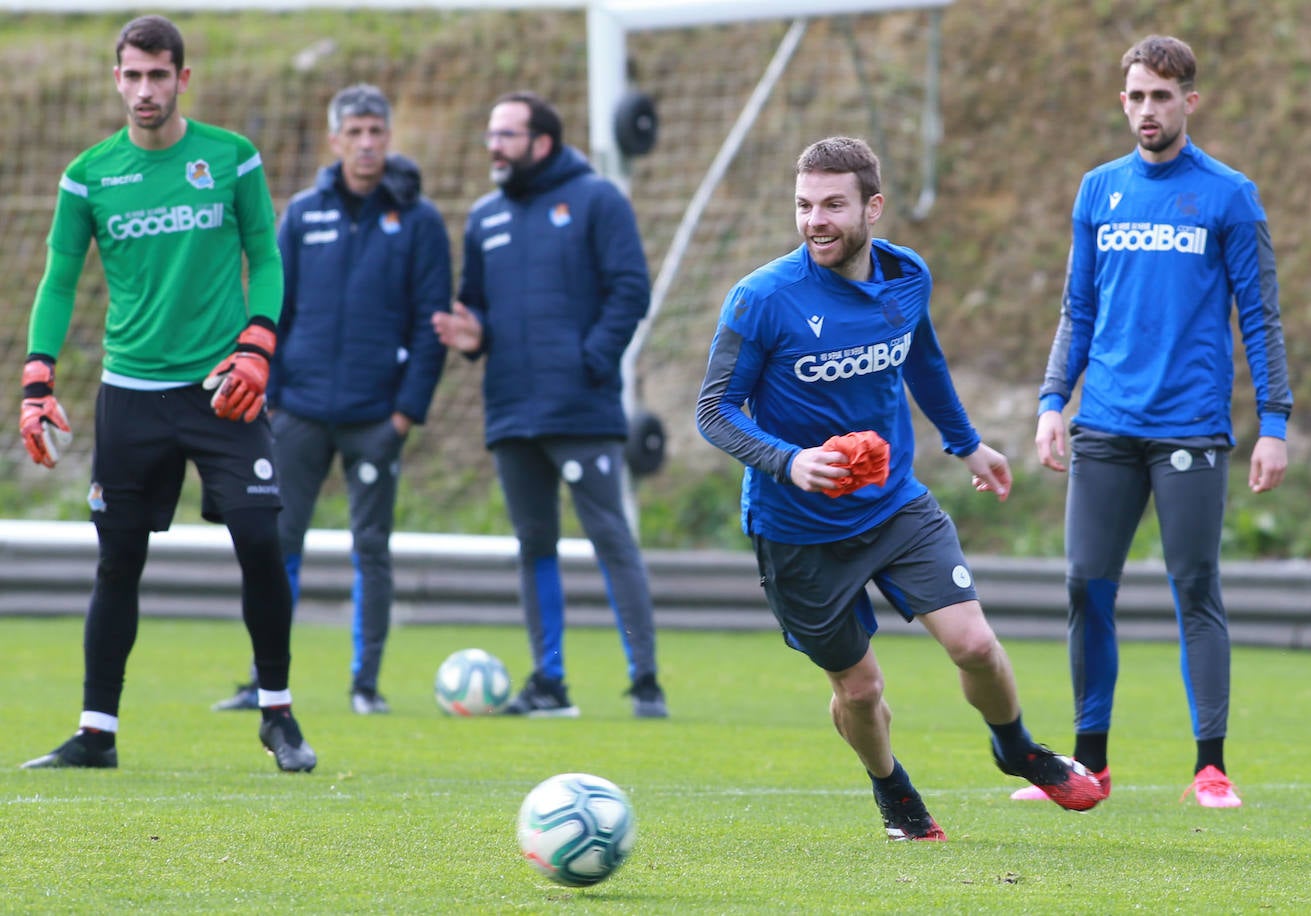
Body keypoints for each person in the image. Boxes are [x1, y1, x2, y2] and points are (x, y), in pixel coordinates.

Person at [695, 136, 1104, 841]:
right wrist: (788, 461)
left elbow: (924, 360)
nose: (814, 220)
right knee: (860, 689)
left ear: (872, 208)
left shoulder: (908, 277)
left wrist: (967, 442)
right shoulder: (762, 299)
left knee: (975, 644)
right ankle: (892, 789)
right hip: (797, 529)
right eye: (803, 205)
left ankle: (1017, 747)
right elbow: (713, 410)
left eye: (831, 205)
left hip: (894, 506)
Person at [17, 15, 315, 772]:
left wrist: (258, 344)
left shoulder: (231, 158)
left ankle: (277, 713)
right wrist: (37, 377)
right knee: (117, 562)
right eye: (132, 75)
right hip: (130, 396)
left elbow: (266, 260)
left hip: (222, 390)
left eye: (159, 74)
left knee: (260, 539)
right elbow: (58, 281)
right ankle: (96, 733)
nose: (145, 89)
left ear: (183, 78)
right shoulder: (88, 175)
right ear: (115, 79)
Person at [1021, 35, 1291, 809]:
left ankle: (1210, 766)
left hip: (1189, 429)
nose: (1148, 109)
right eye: (1137, 96)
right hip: (1103, 422)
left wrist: (1273, 421)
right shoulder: (1097, 191)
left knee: (1195, 586)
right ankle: (1088, 765)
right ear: (1123, 101)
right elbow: (1078, 310)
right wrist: (1050, 403)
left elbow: (1261, 318)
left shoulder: (1228, 195)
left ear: (1189, 103)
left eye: (1162, 97)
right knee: (1083, 585)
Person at [211, 84, 451, 716]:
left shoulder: (419, 221)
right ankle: (267, 683)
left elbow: (432, 326)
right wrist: (270, 394)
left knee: (371, 547)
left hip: (376, 418)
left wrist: (405, 412)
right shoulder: (303, 213)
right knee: (276, 543)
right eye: (356, 132)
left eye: (377, 131)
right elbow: (272, 305)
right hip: (298, 412)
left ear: (388, 137)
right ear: (336, 139)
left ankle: (364, 685)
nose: (367, 143)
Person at [432, 91, 666, 719]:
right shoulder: (485, 217)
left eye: (506, 134)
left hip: (581, 408)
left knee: (610, 536)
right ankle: (549, 684)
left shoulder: (597, 200)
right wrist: (472, 334)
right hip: (510, 411)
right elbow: (473, 303)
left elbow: (630, 290)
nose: (494, 146)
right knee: (533, 543)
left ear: (542, 142)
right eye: (490, 134)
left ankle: (645, 682)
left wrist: (591, 362)